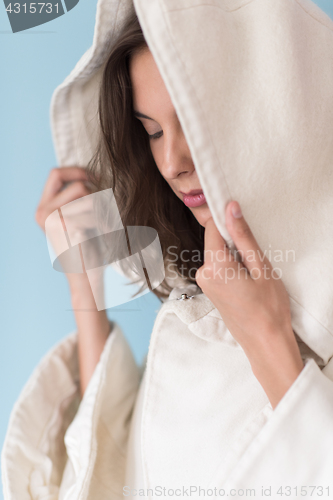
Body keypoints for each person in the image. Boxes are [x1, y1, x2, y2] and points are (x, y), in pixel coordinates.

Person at [2, 0, 333, 499]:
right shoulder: (197, 305)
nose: (173, 161)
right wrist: (88, 285)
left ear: (276, 110)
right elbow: (118, 479)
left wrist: (269, 342)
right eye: (152, 131)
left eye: (195, 124)